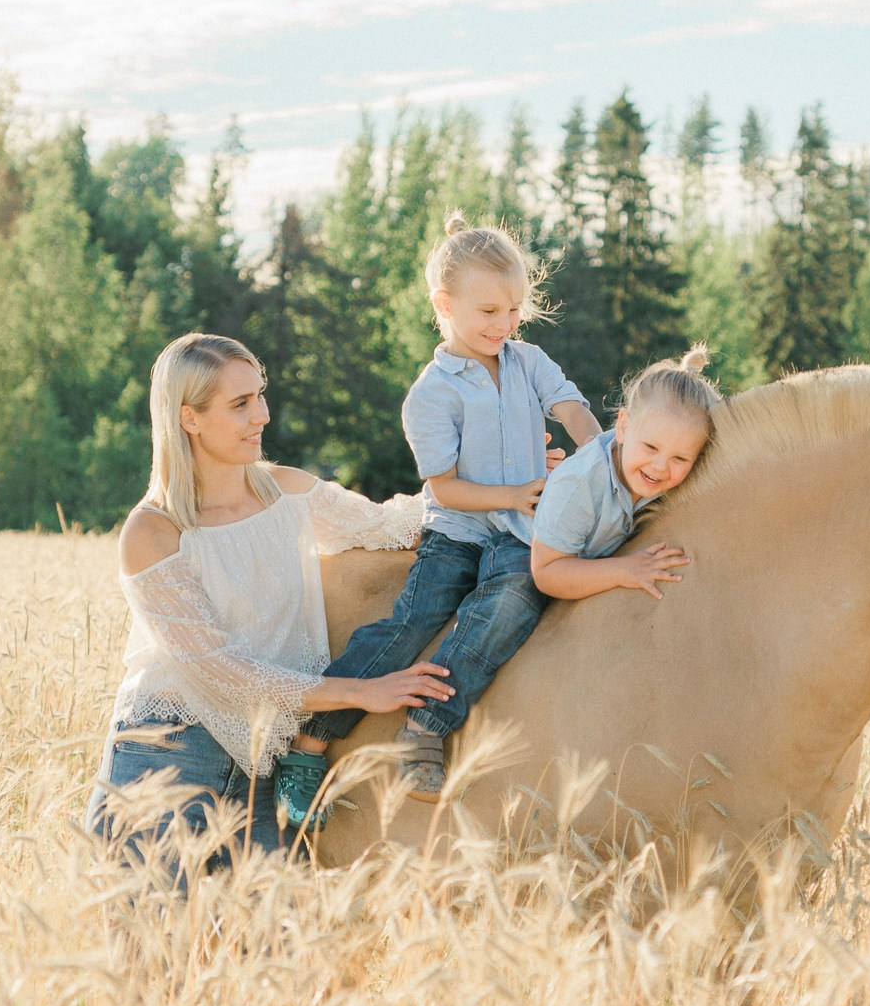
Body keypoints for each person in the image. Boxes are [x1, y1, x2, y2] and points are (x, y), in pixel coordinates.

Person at [87, 332, 455, 894]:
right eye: (239, 405)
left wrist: (530, 488)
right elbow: (222, 673)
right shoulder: (155, 530)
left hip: (267, 761)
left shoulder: (289, 493)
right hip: (166, 757)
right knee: (153, 964)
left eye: (260, 395)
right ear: (189, 417)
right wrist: (361, 691)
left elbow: (398, 524)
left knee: (272, 958)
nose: (261, 414)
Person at [276, 213, 601, 826]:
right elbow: (446, 489)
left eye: (513, 311)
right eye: (488, 312)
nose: (503, 325)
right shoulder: (429, 393)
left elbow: (572, 407)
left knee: (512, 597)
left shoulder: (528, 360)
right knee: (412, 621)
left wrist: (599, 456)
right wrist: (514, 492)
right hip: (459, 528)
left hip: (519, 528)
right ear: (444, 306)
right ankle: (312, 737)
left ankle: (429, 722)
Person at [530, 345, 722, 603]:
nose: (659, 467)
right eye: (651, 447)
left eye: (679, 458)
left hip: (590, 553)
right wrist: (622, 570)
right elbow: (546, 572)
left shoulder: (672, 479)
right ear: (623, 426)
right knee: (509, 606)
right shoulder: (579, 483)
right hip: (530, 550)